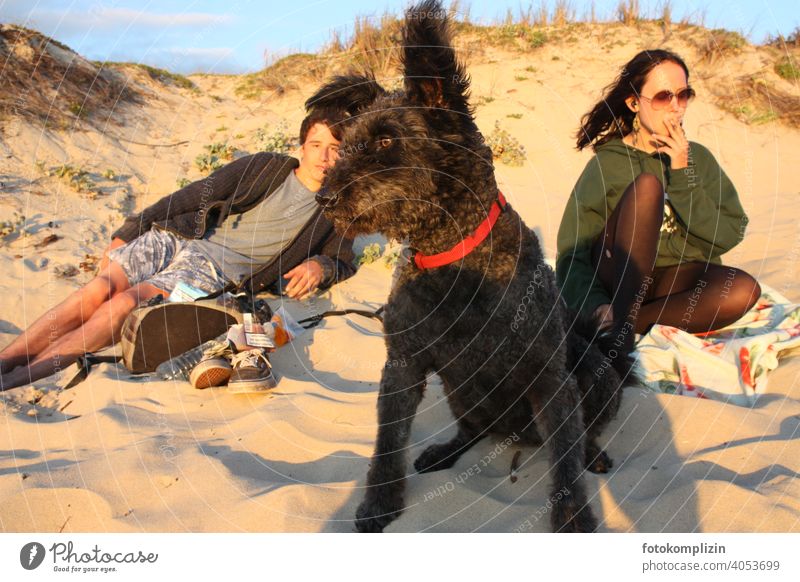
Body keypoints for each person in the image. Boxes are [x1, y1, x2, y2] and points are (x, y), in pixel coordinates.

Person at [0, 108, 356, 391]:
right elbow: (196, 193)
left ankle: (20, 378)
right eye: (316, 144)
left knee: (126, 303)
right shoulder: (264, 166)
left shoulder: (341, 208)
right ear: (301, 146)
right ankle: (7, 360)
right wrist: (132, 228)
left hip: (213, 269)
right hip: (177, 235)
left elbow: (344, 261)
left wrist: (320, 266)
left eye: (335, 149)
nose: (324, 157)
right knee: (98, 289)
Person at [556, 49, 760, 354]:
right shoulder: (608, 164)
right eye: (664, 97)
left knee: (744, 290)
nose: (676, 107)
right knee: (647, 187)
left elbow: (728, 233)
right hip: (617, 279)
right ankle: (617, 328)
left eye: (683, 95)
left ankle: (626, 325)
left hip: (673, 284)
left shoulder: (698, 160)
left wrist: (682, 174)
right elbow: (572, 250)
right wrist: (594, 304)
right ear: (634, 102)